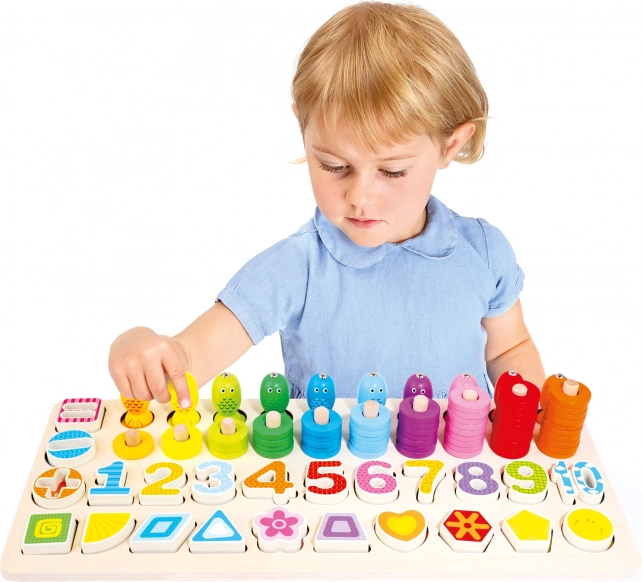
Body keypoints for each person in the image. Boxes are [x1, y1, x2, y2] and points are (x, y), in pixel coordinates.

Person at [109, 1, 545, 408]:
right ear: (303, 126)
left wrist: (532, 410)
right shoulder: (297, 267)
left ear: (450, 145)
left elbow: (509, 348)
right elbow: (188, 358)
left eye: (392, 171)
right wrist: (142, 347)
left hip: (458, 463)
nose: (360, 197)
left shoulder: (483, 252)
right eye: (335, 166)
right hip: (328, 463)